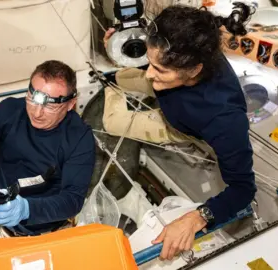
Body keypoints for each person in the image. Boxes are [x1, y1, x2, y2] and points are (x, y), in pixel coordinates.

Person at [102, 3, 257, 260]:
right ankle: (112, 81)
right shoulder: (188, 45)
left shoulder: (225, 121)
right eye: (150, 62)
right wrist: (118, 50)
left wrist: (196, 218)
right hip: (172, 93)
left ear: (195, 70)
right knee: (120, 75)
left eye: (160, 69)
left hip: (177, 125)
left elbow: (243, 190)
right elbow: (151, 68)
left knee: (112, 121)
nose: (150, 74)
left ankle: (109, 86)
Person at [0, 60, 96, 236]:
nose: (37, 112)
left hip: (50, 228)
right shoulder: (9, 110)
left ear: (70, 104)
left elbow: (72, 199)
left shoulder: (79, 138)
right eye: (33, 99)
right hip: (3, 221)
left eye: (50, 106)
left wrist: (27, 209)